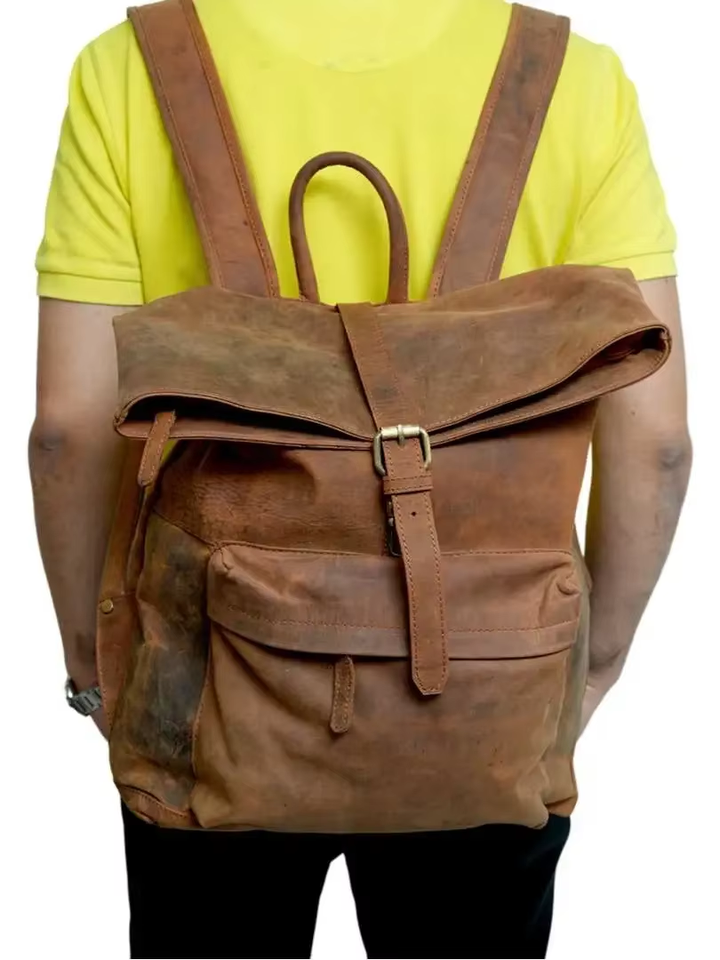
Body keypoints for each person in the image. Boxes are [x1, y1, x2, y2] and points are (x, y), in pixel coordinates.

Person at [29, 1, 692, 958]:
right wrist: (591, 667)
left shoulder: (131, 65)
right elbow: (658, 438)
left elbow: (67, 430)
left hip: (207, 694)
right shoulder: (568, 79)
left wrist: (98, 663)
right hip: (493, 695)